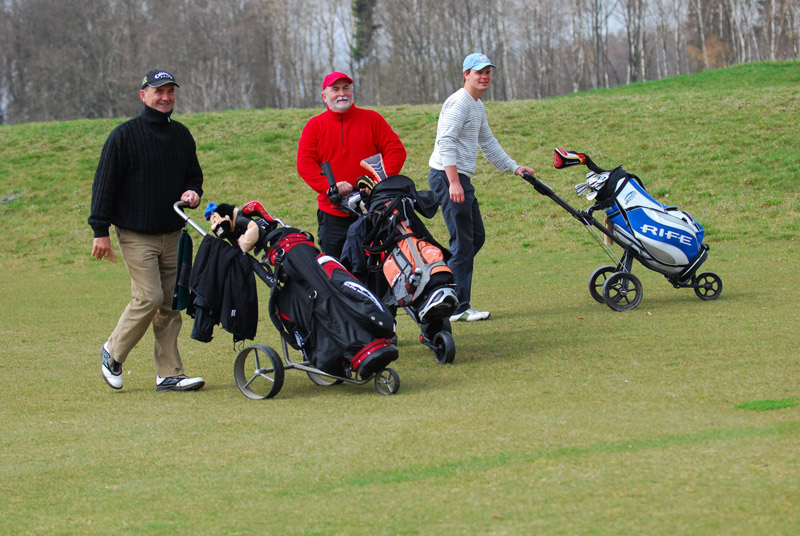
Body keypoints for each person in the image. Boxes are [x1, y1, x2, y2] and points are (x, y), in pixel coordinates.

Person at [89, 69, 206, 392]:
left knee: (170, 303)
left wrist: (192, 192)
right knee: (149, 297)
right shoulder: (124, 136)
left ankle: (169, 373)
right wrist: (100, 230)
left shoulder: (181, 135)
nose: (165, 97)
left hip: (173, 233)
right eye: (158, 91)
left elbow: (193, 176)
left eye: (170, 91)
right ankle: (112, 352)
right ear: (144, 95)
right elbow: (104, 185)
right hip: (136, 234)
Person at [428, 53, 535, 322]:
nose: (484, 76)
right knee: (463, 243)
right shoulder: (460, 103)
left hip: (459, 178)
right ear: (466, 74)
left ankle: (441, 280)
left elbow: (487, 142)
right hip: (448, 176)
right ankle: (457, 306)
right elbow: (446, 141)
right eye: (479, 72)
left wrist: (513, 167)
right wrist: (453, 182)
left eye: (487, 72)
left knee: (475, 236)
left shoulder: (476, 105)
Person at [297, 71, 407, 259]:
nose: (342, 93)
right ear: (324, 96)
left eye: (346, 88)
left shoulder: (372, 119)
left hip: (371, 212)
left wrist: (375, 184)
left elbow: (396, 151)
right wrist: (330, 186)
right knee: (335, 270)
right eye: (335, 89)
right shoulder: (314, 126)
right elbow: (305, 164)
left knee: (376, 269)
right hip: (333, 215)